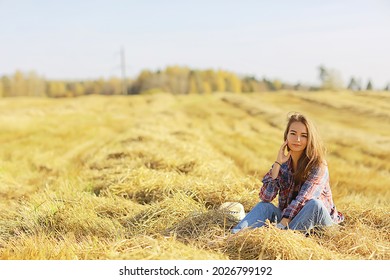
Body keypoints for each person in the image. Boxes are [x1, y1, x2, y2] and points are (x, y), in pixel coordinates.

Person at [232, 112, 344, 234]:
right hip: (295, 222)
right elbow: (266, 197)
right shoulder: (284, 164)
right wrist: (277, 164)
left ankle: (282, 239)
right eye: (293, 133)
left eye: (304, 135)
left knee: (314, 205)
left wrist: (282, 225)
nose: (297, 139)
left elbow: (304, 199)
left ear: (310, 139)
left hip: (320, 225)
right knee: (265, 207)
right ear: (286, 136)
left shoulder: (318, 165)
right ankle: (233, 237)